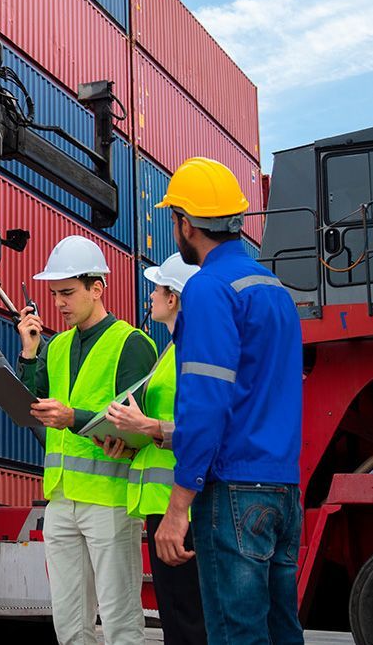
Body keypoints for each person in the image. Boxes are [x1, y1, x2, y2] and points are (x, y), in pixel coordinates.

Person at [151, 157, 304, 645]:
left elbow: (206, 402)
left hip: (234, 490)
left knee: (237, 636)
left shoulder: (210, 289)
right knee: (281, 632)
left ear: (186, 223)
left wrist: (178, 507)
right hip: (283, 489)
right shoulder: (276, 291)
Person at [17, 235, 157, 645]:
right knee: (70, 622)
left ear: (97, 288)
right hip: (61, 501)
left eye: (67, 293)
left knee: (120, 619)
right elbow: (32, 403)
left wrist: (71, 417)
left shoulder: (131, 344)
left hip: (109, 501)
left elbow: (141, 424)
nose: (59, 303)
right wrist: (28, 353)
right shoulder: (55, 345)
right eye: (54, 294)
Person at [100, 253, 207, 645]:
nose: (150, 297)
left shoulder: (193, 352)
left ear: (174, 298)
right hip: (162, 502)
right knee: (178, 620)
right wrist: (129, 444)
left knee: (190, 621)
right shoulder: (171, 351)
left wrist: (146, 426)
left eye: (156, 288)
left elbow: (208, 427)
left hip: (184, 506)